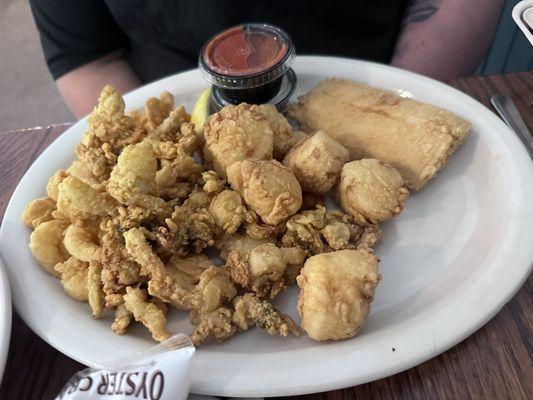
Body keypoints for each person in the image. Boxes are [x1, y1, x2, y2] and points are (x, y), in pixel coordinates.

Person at [29, 0, 504, 118]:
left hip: (384, 82)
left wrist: (387, 114)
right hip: (178, 109)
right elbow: (86, 56)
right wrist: (162, 151)